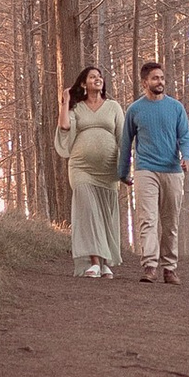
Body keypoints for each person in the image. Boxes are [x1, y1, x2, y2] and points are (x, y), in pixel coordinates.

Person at [122, 59, 189, 286]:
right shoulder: (135, 109)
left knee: (170, 222)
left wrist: (186, 156)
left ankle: (169, 268)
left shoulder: (176, 108)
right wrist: (123, 171)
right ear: (145, 82)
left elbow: (185, 136)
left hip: (172, 170)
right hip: (146, 170)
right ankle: (150, 266)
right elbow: (126, 142)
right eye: (155, 78)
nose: (160, 81)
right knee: (148, 220)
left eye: (162, 78)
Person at [56, 66, 126, 280]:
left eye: (99, 77)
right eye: (92, 77)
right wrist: (65, 102)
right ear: (83, 84)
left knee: (105, 214)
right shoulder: (77, 108)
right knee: (88, 213)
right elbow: (65, 127)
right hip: (81, 168)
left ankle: (105, 263)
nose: (98, 79)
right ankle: (94, 262)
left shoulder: (113, 107)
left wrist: (125, 168)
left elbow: (123, 137)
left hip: (107, 170)